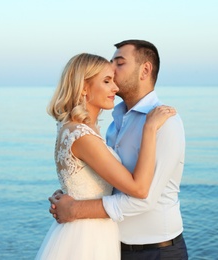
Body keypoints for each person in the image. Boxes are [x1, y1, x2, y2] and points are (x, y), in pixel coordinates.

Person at [49, 40, 188, 260]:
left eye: (119, 63)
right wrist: (69, 194)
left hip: (156, 251)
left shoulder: (164, 122)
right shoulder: (114, 124)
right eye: (107, 75)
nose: (112, 69)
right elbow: (107, 181)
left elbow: (144, 196)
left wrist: (75, 208)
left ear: (145, 70)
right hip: (111, 245)